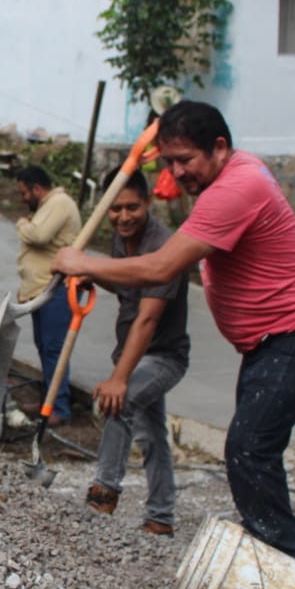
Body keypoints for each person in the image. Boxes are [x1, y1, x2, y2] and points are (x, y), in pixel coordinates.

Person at [53, 100, 295, 561]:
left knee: (249, 448)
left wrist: (81, 262)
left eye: (185, 159)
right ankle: (268, 550)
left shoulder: (235, 189)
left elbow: (161, 267)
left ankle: (278, 560)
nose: (177, 172)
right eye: (169, 161)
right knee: (253, 448)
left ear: (219, 147)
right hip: (272, 341)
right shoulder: (230, 177)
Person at [84, 167, 191, 536]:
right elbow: (128, 286)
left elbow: (147, 319)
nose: (124, 217)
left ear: (148, 203)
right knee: (152, 436)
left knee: (121, 400)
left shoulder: (163, 247)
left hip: (164, 356)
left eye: (132, 207)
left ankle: (103, 494)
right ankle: (161, 517)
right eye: (115, 209)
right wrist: (95, 275)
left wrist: (119, 378)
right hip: (133, 353)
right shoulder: (122, 239)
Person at [14, 165, 83, 427]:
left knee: (54, 348)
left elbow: (38, 235)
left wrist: (22, 223)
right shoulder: (47, 206)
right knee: (44, 346)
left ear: (36, 188)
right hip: (43, 289)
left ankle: (60, 407)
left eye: (24, 193)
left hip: (57, 289)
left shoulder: (59, 203)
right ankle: (48, 400)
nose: (23, 199)